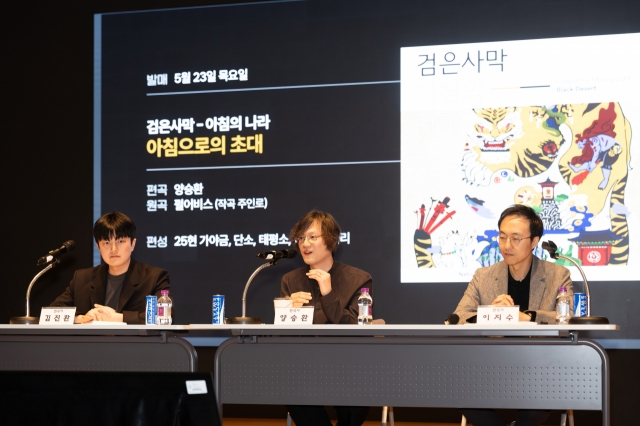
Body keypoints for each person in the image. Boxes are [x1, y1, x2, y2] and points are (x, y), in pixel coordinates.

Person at [454, 204, 573, 426]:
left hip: (539, 368)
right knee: (458, 387)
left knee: (544, 393)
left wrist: (527, 317)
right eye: (502, 237)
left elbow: (565, 320)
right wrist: (492, 313)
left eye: (516, 239)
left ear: (534, 241)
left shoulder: (558, 275)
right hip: (492, 366)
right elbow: (459, 316)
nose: (507, 246)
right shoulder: (484, 276)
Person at [280, 210, 371, 426]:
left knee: (357, 401)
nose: (304, 244)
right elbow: (282, 334)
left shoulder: (359, 279)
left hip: (348, 369)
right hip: (305, 369)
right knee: (289, 391)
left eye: (312, 237)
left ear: (330, 240)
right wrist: (287, 310)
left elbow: (358, 328)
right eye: (301, 238)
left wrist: (329, 295)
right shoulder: (291, 280)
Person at [50, 211, 170, 324]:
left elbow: (165, 316)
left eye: (120, 241)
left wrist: (118, 318)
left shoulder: (153, 277)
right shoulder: (82, 279)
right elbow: (51, 312)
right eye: (106, 243)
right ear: (98, 246)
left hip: (134, 346)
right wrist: (80, 318)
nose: (113, 249)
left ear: (133, 244)